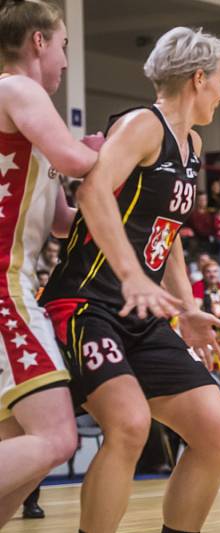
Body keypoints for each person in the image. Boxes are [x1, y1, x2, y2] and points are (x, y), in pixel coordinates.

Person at [40, 27, 220, 533]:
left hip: (142, 313)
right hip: (85, 304)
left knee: (218, 432)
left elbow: (166, 235)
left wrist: (186, 308)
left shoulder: (191, 143)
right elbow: (92, 194)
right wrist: (131, 276)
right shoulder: (140, 126)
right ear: (198, 79)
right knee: (128, 427)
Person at [0, 0, 105, 526]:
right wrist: (115, 148)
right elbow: (75, 160)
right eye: (63, 44)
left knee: (19, 451)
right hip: (4, 288)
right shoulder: (15, 88)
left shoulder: (30, 111)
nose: (65, 59)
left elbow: (61, 222)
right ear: (39, 41)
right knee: (58, 437)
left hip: (14, 282)